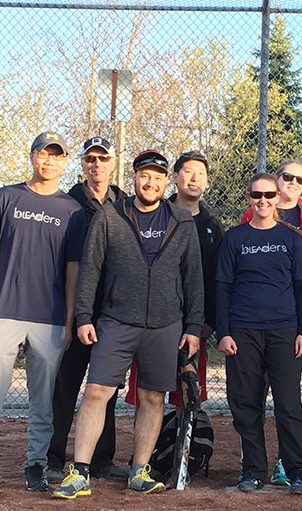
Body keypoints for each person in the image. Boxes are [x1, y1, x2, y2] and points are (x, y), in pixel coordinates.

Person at [52, 150, 204, 499]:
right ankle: (79, 472)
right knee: (96, 392)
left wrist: (193, 327)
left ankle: (139, 470)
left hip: (165, 325)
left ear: (167, 182)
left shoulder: (181, 222)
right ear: (134, 178)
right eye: (144, 175)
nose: (150, 182)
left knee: (152, 397)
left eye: (157, 177)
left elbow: (193, 279)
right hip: (116, 321)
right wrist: (85, 317)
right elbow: (90, 268)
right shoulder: (109, 215)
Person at [0, 132, 86, 495]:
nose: (49, 161)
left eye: (56, 156)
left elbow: (73, 269)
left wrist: (70, 316)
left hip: (50, 316)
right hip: (5, 310)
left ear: (64, 162)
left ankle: (36, 465)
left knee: (43, 398)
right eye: (43, 154)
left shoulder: (71, 211)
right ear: (32, 157)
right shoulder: (6, 197)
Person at [216, 172, 302, 495]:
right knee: (246, 404)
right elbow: (223, 289)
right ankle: (254, 470)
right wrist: (224, 332)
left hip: (285, 331)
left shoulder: (292, 238)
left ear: (277, 198)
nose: (263, 201)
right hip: (243, 331)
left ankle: (298, 469)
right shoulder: (235, 238)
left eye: (269, 195)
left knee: (288, 404)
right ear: (249, 197)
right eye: (257, 195)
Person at [240, 159, 302, 485]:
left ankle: (289, 464)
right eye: (287, 176)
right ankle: (251, 466)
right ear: (276, 181)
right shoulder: (253, 214)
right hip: (252, 324)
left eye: (300, 179)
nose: (292, 182)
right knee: (251, 396)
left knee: (288, 398)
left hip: (293, 323)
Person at [46, 137, 128, 484]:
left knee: (105, 387)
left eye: (103, 158)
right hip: (76, 309)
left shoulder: (125, 203)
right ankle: (52, 456)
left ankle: (102, 458)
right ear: (83, 164)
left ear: (112, 163)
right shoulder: (69, 203)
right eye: (90, 159)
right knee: (66, 385)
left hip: (112, 310)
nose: (97, 164)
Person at [125, 150, 224, 410]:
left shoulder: (213, 225)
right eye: (188, 171)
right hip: (152, 318)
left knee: (188, 391)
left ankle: (181, 450)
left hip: (194, 321)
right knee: (147, 393)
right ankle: (147, 449)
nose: (194, 178)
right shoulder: (156, 212)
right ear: (176, 178)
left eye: (201, 173)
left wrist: (208, 320)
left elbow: (215, 277)